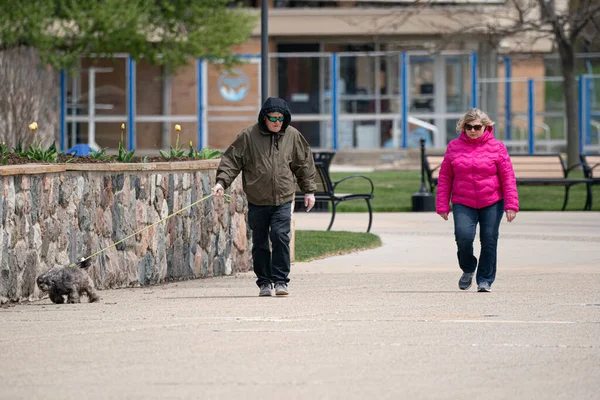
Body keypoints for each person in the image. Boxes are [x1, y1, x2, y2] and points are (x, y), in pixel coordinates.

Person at [212, 97, 317, 297]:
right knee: (260, 242)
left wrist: (309, 191)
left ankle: (280, 281)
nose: (278, 122)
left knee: (279, 236)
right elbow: (232, 161)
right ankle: (264, 282)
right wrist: (221, 183)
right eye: (273, 118)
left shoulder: (293, 136)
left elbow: (304, 165)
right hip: (258, 200)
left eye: (281, 118)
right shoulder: (248, 136)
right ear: (264, 118)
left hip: (283, 198)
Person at [436, 108, 519, 292]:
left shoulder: (497, 147)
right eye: (468, 126)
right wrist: (442, 204)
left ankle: (485, 280)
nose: (472, 130)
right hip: (463, 201)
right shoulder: (454, 147)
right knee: (463, 238)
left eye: (476, 127)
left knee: (489, 240)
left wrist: (511, 204)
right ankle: (468, 268)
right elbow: (445, 177)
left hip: (492, 201)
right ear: (463, 127)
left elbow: (508, 177)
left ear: (486, 127)